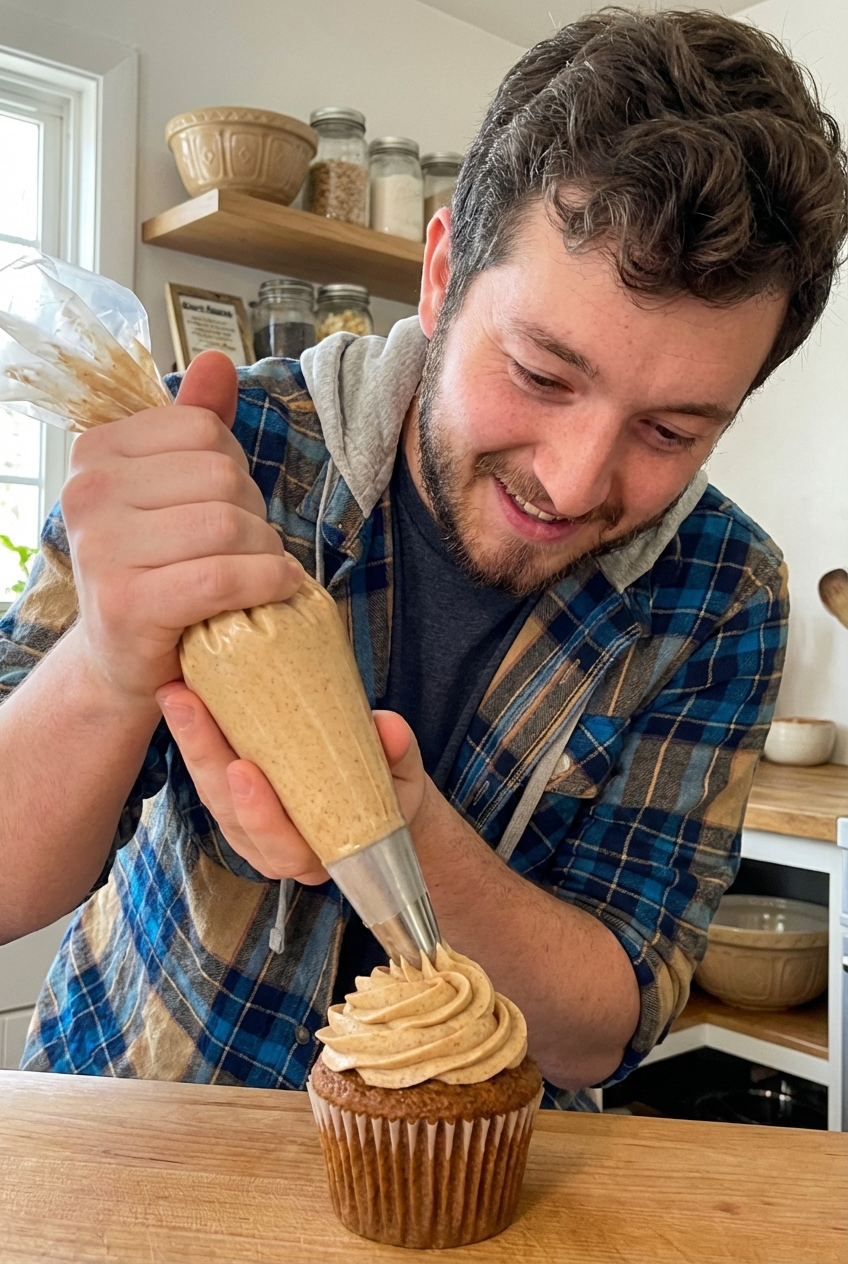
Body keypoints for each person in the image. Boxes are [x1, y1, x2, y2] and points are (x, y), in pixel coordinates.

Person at [0, 9, 845, 1110]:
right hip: (136, 1122)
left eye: (669, 432)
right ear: (440, 275)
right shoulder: (218, 458)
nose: (577, 479)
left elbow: (606, 1026)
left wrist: (385, 815)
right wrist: (112, 660)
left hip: (487, 1183)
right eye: (542, 374)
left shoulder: (722, 591)